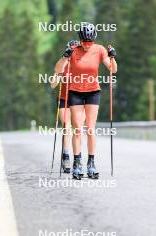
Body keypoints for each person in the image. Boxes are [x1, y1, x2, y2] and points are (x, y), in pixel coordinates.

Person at [55, 22, 117, 180]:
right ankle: (77, 163)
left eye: (90, 42)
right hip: (75, 92)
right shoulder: (74, 50)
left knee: (90, 128)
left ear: (94, 39)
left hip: (93, 92)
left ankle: (91, 163)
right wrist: (65, 56)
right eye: (84, 42)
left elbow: (113, 69)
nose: (87, 45)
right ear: (80, 39)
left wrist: (112, 56)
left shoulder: (99, 49)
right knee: (78, 129)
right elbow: (58, 70)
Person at [50, 40, 79, 173]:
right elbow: (53, 84)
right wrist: (59, 74)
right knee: (67, 127)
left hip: (78, 99)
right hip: (63, 99)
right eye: (71, 50)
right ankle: (66, 157)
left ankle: (77, 158)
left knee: (77, 129)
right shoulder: (63, 63)